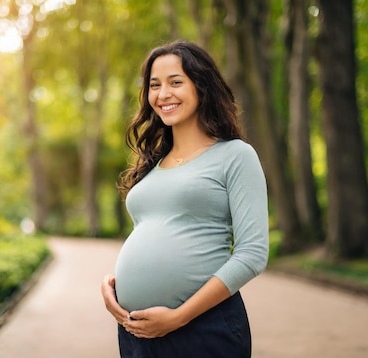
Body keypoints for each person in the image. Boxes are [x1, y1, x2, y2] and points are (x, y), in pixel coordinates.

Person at [101, 39, 269, 358]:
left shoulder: (235, 155)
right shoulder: (152, 165)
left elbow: (252, 253)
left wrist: (179, 317)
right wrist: (111, 285)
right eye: (154, 85)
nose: (163, 94)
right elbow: (154, 233)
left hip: (202, 328)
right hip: (137, 331)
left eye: (175, 82)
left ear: (201, 87)